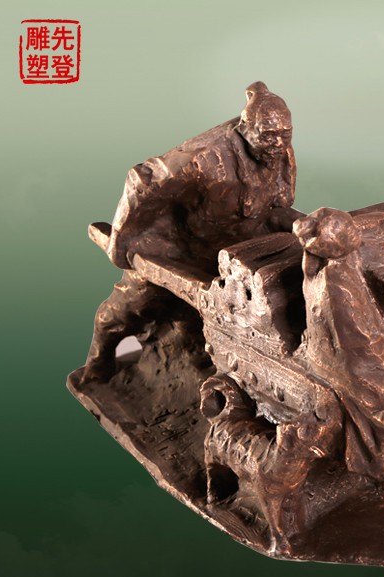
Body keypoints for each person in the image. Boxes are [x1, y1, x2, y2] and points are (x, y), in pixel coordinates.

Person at [83, 82, 298, 382]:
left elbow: (277, 206)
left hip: (235, 247)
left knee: (206, 318)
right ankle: (98, 364)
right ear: (246, 128)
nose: (277, 143)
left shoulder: (278, 151)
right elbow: (141, 180)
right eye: (268, 135)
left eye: (285, 134)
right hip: (179, 247)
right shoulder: (206, 157)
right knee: (126, 309)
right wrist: (120, 242)